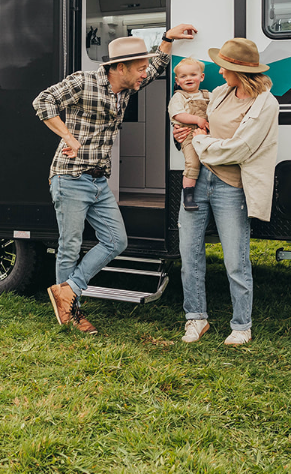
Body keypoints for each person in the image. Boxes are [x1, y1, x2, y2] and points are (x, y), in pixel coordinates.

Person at [33, 24, 198, 335]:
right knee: (69, 246)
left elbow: (155, 67)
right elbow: (42, 102)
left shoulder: (128, 85)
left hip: (98, 180)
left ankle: (67, 290)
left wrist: (167, 39)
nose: (143, 74)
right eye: (137, 68)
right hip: (70, 177)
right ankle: (71, 312)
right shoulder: (83, 82)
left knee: (116, 240)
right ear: (119, 67)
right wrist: (67, 136)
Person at [172, 38, 279, 346]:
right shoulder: (220, 93)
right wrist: (185, 132)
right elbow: (199, 125)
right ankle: (196, 319)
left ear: (238, 70)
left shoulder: (265, 103)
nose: (219, 71)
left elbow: (239, 148)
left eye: (223, 66)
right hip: (199, 178)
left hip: (230, 186)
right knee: (189, 254)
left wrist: (201, 142)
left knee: (235, 260)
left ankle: (241, 325)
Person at [168, 58, 211, 211]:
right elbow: (178, 115)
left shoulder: (208, 96)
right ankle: (188, 196)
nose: (188, 79)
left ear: (202, 77)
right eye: (183, 76)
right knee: (192, 163)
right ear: (177, 80)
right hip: (188, 134)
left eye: (193, 74)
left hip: (207, 133)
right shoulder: (179, 97)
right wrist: (198, 119)